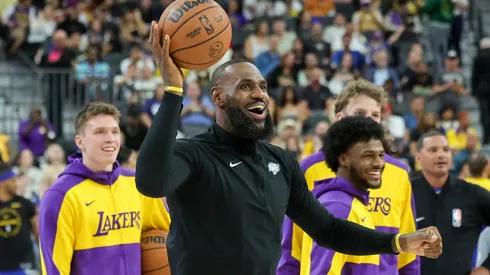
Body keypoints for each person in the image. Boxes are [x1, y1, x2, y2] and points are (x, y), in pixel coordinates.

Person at [135, 21, 442, 275]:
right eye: (245, 87)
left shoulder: (281, 162)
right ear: (217, 97)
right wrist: (174, 90)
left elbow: (329, 230)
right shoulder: (194, 154)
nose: (260, 94)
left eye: (263, 87)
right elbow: (150, 182)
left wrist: (399, 242)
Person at [278, 79, 419, 275]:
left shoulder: (399, 172)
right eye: (360, 113)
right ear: (340, 118)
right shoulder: (310, 169)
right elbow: (292, 246)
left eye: (375, 115)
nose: (368, 121)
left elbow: (408, 255)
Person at [38, 102, 171, 275]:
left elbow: (170, 233)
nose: (110, 138)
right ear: (80, 141)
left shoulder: (137, 185)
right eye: (99, 132)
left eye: (114, 131)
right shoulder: (60, 196)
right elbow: (54, 269)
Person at [299, 115, 387, 274]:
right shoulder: (339, 207)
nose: (378, 163)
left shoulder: (347, 203)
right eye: (368, 156)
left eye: (381, 155)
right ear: (344, 159)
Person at [411, 130, 490, 275]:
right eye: (433, 150)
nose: (441, 154)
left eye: (446, 150)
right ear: (418, 158)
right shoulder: (406, 193)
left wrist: (486, 267)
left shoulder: (472, 193)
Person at [0, 163, 39, 275]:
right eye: (13, 180)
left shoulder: (25, 204)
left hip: (25, 265)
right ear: (3, 182)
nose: (16, 184)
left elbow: (38, 233)